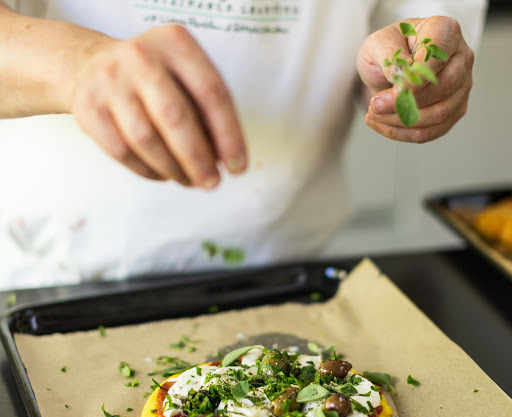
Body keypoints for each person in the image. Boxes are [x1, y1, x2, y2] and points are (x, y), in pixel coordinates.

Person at [0, 0, 487, 289]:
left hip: (288, 269)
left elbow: (407, 29)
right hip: (47, 273)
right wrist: (78, 63)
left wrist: (406, 68)